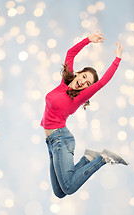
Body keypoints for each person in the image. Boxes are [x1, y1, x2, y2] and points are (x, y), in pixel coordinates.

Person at [41, 30, 128, 198]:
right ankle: (88, 158)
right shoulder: (63, 83)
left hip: (61, 139)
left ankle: (103, 158)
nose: (83, 82)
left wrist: (117, 60)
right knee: (59, 192)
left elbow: (102, 82)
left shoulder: (78, 98)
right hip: (51, 142)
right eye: (85, 77)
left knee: (68, 188)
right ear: (78, 73)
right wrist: (88, 40)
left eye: (88, 84)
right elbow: (70, 53)